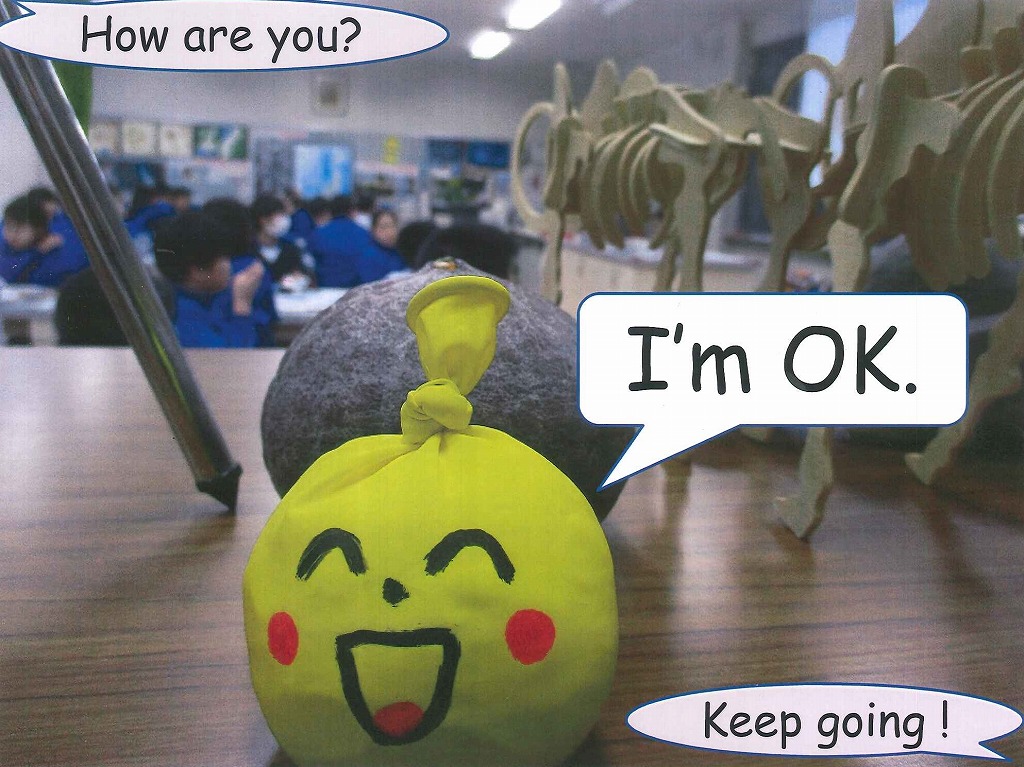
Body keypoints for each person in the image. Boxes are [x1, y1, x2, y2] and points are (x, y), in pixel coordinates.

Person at [153, 211, 267, 348]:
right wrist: (242, 304)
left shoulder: (210, 297)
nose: (228, 265)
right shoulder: (183, 316)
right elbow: (231, 357)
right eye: (223, 258)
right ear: (197, 271)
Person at [0, 195, 89, 287]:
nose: (11, 235)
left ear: (40, 229)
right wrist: (35, 253)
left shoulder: (61, 248)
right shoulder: (5, 239)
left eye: (19, 229)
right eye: (8, 226)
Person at [305, 195, 375, 288]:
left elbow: (309, 263)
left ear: (330, 211)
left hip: (325, 289)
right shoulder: (365, 234)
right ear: (352, 211)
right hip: (355, 289)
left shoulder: (318, 234)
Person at [251, 194, 315, 284]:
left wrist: (295, 279)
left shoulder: (290, 249)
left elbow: (304, 275)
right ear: (263, 220)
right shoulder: (249, 251)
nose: (284, 220)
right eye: (279, 215)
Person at [357, 209, 408, 282]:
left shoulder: (402, 251)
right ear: (373, 230)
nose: (390, 232)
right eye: (383, 227)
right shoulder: (368, 256)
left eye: (393, 226)